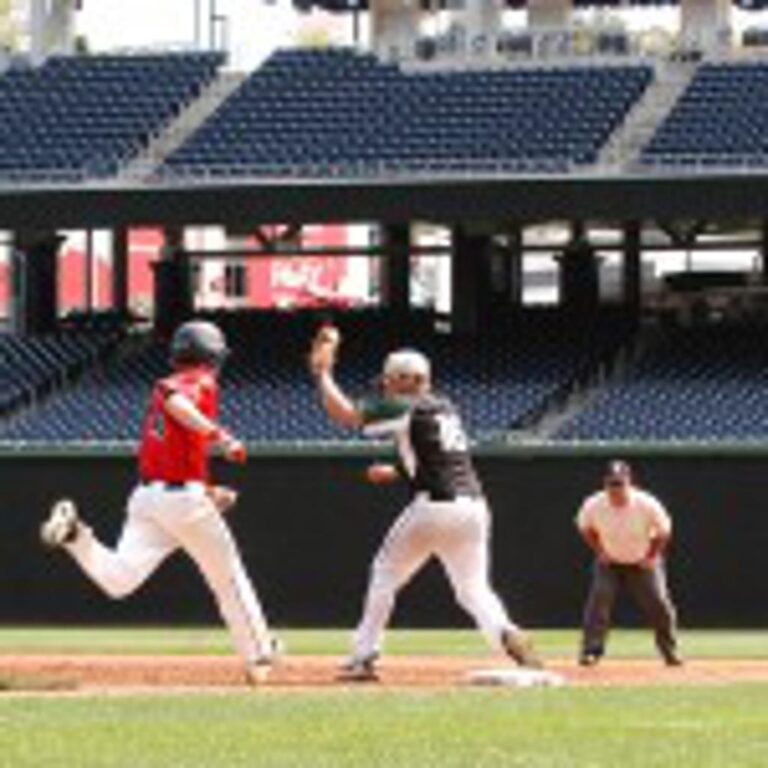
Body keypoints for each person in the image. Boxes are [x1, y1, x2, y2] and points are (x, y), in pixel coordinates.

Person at [40, 320, 277, 684]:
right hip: (181, 500)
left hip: (150, 497)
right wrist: (222, 436)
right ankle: (259, 655)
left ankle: (76, 536)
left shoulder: (184, 388)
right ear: (210, 356)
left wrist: (209, 491)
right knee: (228, 579)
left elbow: (178, 447)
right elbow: (174, 396)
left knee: (120, 579)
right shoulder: (197, 379)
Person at [308, 324, 543, 681]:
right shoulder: (444, 406)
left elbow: (344, 415)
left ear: (402, 379)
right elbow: (435, 457)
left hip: (433, 507)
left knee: (385, 574)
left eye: (389, 379)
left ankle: (364, 656)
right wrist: (398, 471)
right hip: (474, 507)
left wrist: (323, 374)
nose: (385, 385)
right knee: (473, 589)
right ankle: (504, 631)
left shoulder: (405, 404)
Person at [575, 460, 682, 667]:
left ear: (629, 482)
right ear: (605, 483)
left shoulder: (646, 503)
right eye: (612, 483)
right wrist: (600, 551)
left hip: (642, 561)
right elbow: (585, 527)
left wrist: (651, 556)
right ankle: (591, 651)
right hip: (610, 563)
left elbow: (664, 531)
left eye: (620, 483)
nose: (616, 489)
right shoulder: (594, 503)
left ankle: (669, 651)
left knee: (659, 603)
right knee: (599, 601)